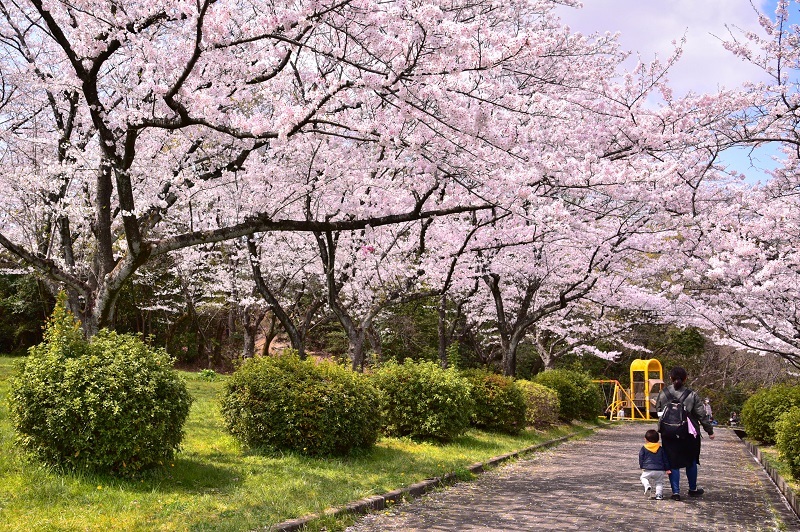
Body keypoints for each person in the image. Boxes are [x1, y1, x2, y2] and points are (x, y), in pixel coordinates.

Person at [656, 366, 715, 501]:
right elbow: (701, 414)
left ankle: (675, 492)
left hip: (669, 433)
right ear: (685, 379)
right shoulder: (691, 394)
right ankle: (692, 489)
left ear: (670, 378)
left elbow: (658, 412)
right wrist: (709, 431)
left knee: (672, 462)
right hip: (689, 433)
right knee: (691, 461)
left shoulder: (663, 393)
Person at [639, 429, 671, 500]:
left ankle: (647, 485)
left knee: (643, 478)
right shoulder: (660, 448)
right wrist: (667, 468)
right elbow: (665, 459)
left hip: (648, 469)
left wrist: (642, 466)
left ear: (646, 439)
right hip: (660, 470)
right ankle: (659, 495)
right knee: (659, 482)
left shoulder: (644, 448)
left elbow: (641, 457)